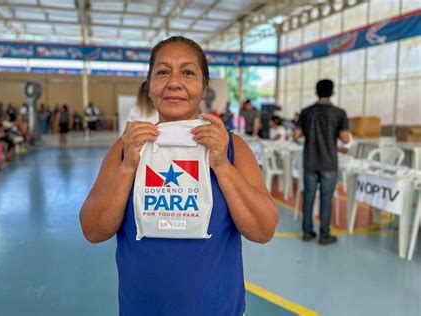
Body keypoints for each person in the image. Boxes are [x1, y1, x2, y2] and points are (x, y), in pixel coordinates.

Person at [79, 36, 279, 315]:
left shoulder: (233, 148)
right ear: (149, 87)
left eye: (187, 72)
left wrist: (221, 165)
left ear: (203, 86)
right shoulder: (126, 147)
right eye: (162, 72)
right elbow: (92, 230)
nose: (174, 82)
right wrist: (127, 168)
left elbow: (263, 230)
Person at [294, 79, 350, 245]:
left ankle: (307, 232)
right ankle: (324, 234)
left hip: (310, 160)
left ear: (316, 92)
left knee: (309, 197)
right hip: (329, 162)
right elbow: (345, 139)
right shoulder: (339, 113)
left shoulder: (306, 112)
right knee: (326, 198)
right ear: (333, 92)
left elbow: (296, 135)